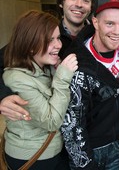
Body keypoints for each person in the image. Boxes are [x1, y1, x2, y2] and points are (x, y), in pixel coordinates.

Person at [0, 0, 97, 121]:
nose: (79, 4)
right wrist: (4, 95)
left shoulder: (97, 36)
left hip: (88, 122)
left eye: (85, 0)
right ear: (61, 3)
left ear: (90, 7)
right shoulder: (43, 34)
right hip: (52, 124)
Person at [60, 0, 119, 169]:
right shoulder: (77, 64)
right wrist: (85, 163)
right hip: (88, 150)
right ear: (95, 22)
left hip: (118, 145)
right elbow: (72, 125)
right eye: (109, 23)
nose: (117, 31)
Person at [2, 10, 78, 169]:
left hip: (53, 151)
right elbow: (50, 121)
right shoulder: (17, 78)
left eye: (58, 38)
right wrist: (63, 77)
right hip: (32, 157)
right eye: (50, 40)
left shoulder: (46, 68)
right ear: (30, 45)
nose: (58, 45)